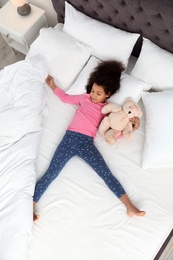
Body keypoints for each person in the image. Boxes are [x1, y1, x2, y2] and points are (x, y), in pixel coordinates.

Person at [33, 60, 145, 221]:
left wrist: (130, 129)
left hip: (86, 143)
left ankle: (129, 207)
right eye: (93, 91)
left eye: (98, 94)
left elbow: (111, 131)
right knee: (52, 173)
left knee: (105, 173)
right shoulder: (84, 99)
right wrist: (52, 85)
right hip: (70, 139)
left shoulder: (108, 110)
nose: (93, 95)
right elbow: (65, 98)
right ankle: (30, 205)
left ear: (107, 94)